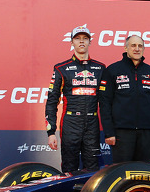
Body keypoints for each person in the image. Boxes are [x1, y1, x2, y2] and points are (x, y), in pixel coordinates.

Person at [45, 25, 106, 173]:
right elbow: (52, 101)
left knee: (92, 169)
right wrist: (51, 132)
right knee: (69, 168)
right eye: (77, 38)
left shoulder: (101, 68)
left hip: (92, 124)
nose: (81, 42)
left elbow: (106, 101)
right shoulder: (61, 68)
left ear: (90, 42)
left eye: (85, 38)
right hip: (71, 123)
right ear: (72, 42)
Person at [98, 34, 150, 163]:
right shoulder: (112, 70)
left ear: (144, 49)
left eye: (140, 46)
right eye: (133, 45)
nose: (137, 49)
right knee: (122, 172)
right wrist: (109, 132)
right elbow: (105, 103)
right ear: (126, 48)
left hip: (146, 133)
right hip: (121, 133)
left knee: (143, 171)